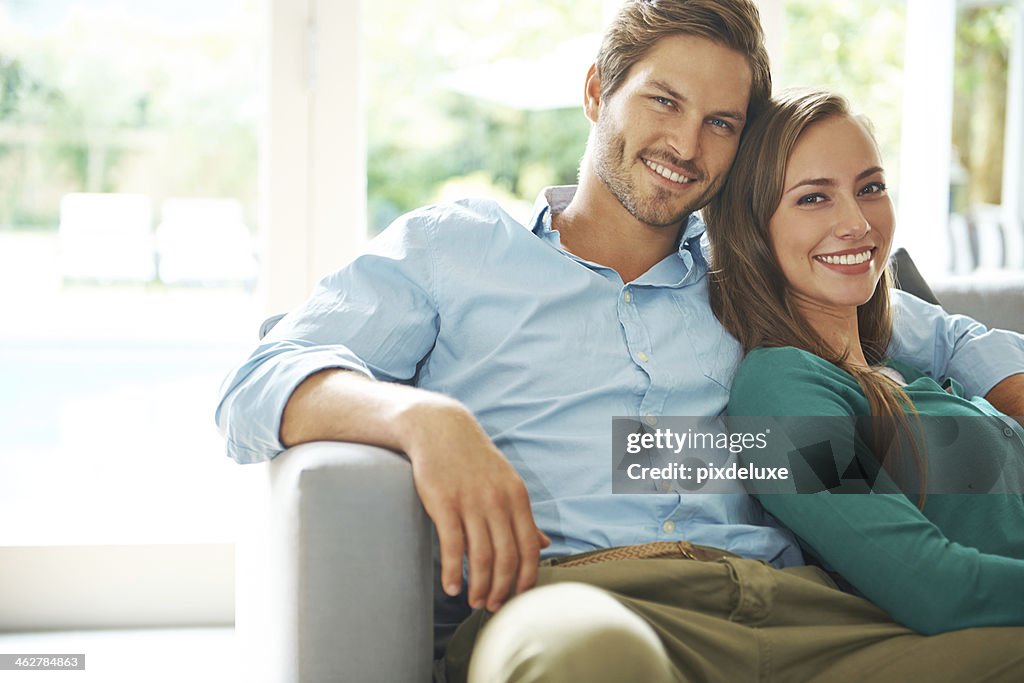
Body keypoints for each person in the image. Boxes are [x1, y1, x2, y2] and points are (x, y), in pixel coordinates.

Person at [216, 1, 1024, 680]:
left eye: (721, 124)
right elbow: (260, 381)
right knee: (593, 660)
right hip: (576, 600)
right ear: (599, 90)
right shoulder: (456, 247)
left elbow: (949, 338)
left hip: (796, 606)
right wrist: (425, 421)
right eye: (663, 103)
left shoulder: (752, 269)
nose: (686, 145)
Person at [704, 88, 1024, 634]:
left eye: (870, 187)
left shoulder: (902, 366)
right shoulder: (777, 391)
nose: (857, 223)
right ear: (754, 229)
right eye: (813, 198)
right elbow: (934, 586)